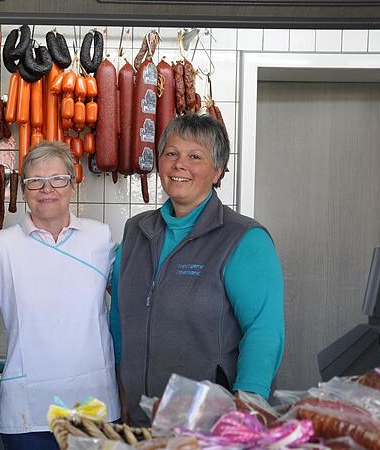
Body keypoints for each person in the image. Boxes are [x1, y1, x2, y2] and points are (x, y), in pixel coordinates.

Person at [112, 114, 284, 424]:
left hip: (210, 426)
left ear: (217, 170)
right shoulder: (136, 231)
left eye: (195, 156)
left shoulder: (244, 238)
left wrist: (249, 407)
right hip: (139, 418)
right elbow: (119, 317)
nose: (179, 165)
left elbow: (264, 330)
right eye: (171, 154)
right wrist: (120, 386)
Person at [0, 141, 119, 450]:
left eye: (58, 179)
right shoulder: (2, 245)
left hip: (94, 404)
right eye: (35, 181)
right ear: (23, 191)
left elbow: (132, 302)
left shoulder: (100, 238)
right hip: (26, 410)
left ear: (73, 185)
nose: (46, 189)